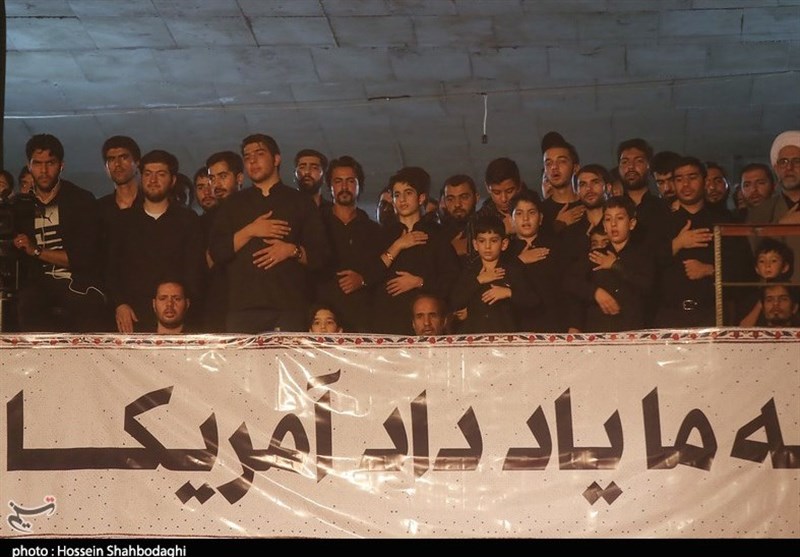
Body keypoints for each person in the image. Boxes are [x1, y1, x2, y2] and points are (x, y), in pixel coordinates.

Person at [208, 133, 330, 333]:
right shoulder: (232, 204)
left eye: (259, 154)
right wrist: (250, 231)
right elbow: (217, 252)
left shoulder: (300, 202)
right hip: (243, 310)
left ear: (276, 159)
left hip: (289, 309)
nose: (252, 161)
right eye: (247, 157)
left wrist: (292, 251)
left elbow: (322, 257)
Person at [14, 133, 107, 332]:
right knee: (26, 304)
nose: (44, 170)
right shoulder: (21, 205)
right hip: (36, 287)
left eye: (50, 163)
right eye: (37, 163)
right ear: (29, 166)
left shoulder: (81, 200)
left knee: (89, 307)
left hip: (78, 283)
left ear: (61, 165)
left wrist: (36, 251)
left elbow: (84, 258)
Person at [107, 149, 205, 333]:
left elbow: (194, 271)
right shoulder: (123, 221)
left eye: (160, 174)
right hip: (133, 317)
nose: (153, 180)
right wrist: (120, 304)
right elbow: (111, 268)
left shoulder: (188, 220)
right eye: (147, 174)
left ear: (172, 180)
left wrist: (184, 309)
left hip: (176, 318)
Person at [372, 166, 459, 334]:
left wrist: (419, 282)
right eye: (397, 195)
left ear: (421, 198)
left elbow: (452, 280)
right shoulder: (382, 236)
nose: (402, 199)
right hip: (388, 323)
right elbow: (369, 276)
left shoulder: (436, 237)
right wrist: (397, 246)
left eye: (408, 193)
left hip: (428, 327)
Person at [564, 196, 655, 332]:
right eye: (608, 219)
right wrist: (595, 292)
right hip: (598, 331)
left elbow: (647, 286)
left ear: (632, 223)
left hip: (632, 331)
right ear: (604, 226)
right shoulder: (596, 255)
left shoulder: (643, 254)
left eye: (619, 218)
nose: (613, 224)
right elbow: (569, 281)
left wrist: (615, 265)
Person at [315, 155, 383, 333]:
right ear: (330, 186)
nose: (344, 187)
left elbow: (382, 270)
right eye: (338, 181)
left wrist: (363, 280)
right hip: (323, 321)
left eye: (350, 181)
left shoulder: (374, 230)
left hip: (362, 319)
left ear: (359, 185)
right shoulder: (316, 225)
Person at [449, 213, 533, 334]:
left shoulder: (512, 270)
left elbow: (532, 301)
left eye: (493, 241)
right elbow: (455, 301)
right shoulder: (469, 271)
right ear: (475, 245)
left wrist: (508, 292)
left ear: (504, 244)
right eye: (482, 241)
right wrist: (479, 280)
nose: (487, 246)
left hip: (505, 336)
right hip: (475, 336)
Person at [506, 189, 566, 332]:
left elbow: (567, 289)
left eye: (531, 212)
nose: (525, 218)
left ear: (541, 218)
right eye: (519, 213)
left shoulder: (556, 248)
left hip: (553, 327)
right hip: (513, 328)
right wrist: (519, 261)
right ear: (511, 220)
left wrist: (574, 326)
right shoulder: (504, 252)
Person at [747, 131, 800, 283]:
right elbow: (756, 254)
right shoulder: (760, 212)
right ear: (776, 169)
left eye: (796, 161)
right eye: (783, 162)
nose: (789, 167)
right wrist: (781, 225)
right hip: (776, 293)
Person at [737, 238, 793, 327]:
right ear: (756, 269)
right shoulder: (752, 297)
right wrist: (761, 302)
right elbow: (743, 329)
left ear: (785, 267)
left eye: (773, 261)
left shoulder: (793, 291)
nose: (767, 265)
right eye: (762, 261)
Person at [540, 131, 584, 235]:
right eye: (548, 163)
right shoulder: (539, 211)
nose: (554, 167)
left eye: (561, 161)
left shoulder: (587, 204)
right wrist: (558, 225)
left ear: (575, 168)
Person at [438, 174, 479, 264]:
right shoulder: (435, 235)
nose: (457, 204)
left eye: (464, 197)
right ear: (444, 201)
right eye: (450, 199)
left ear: (476, 198)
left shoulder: (488, 226)